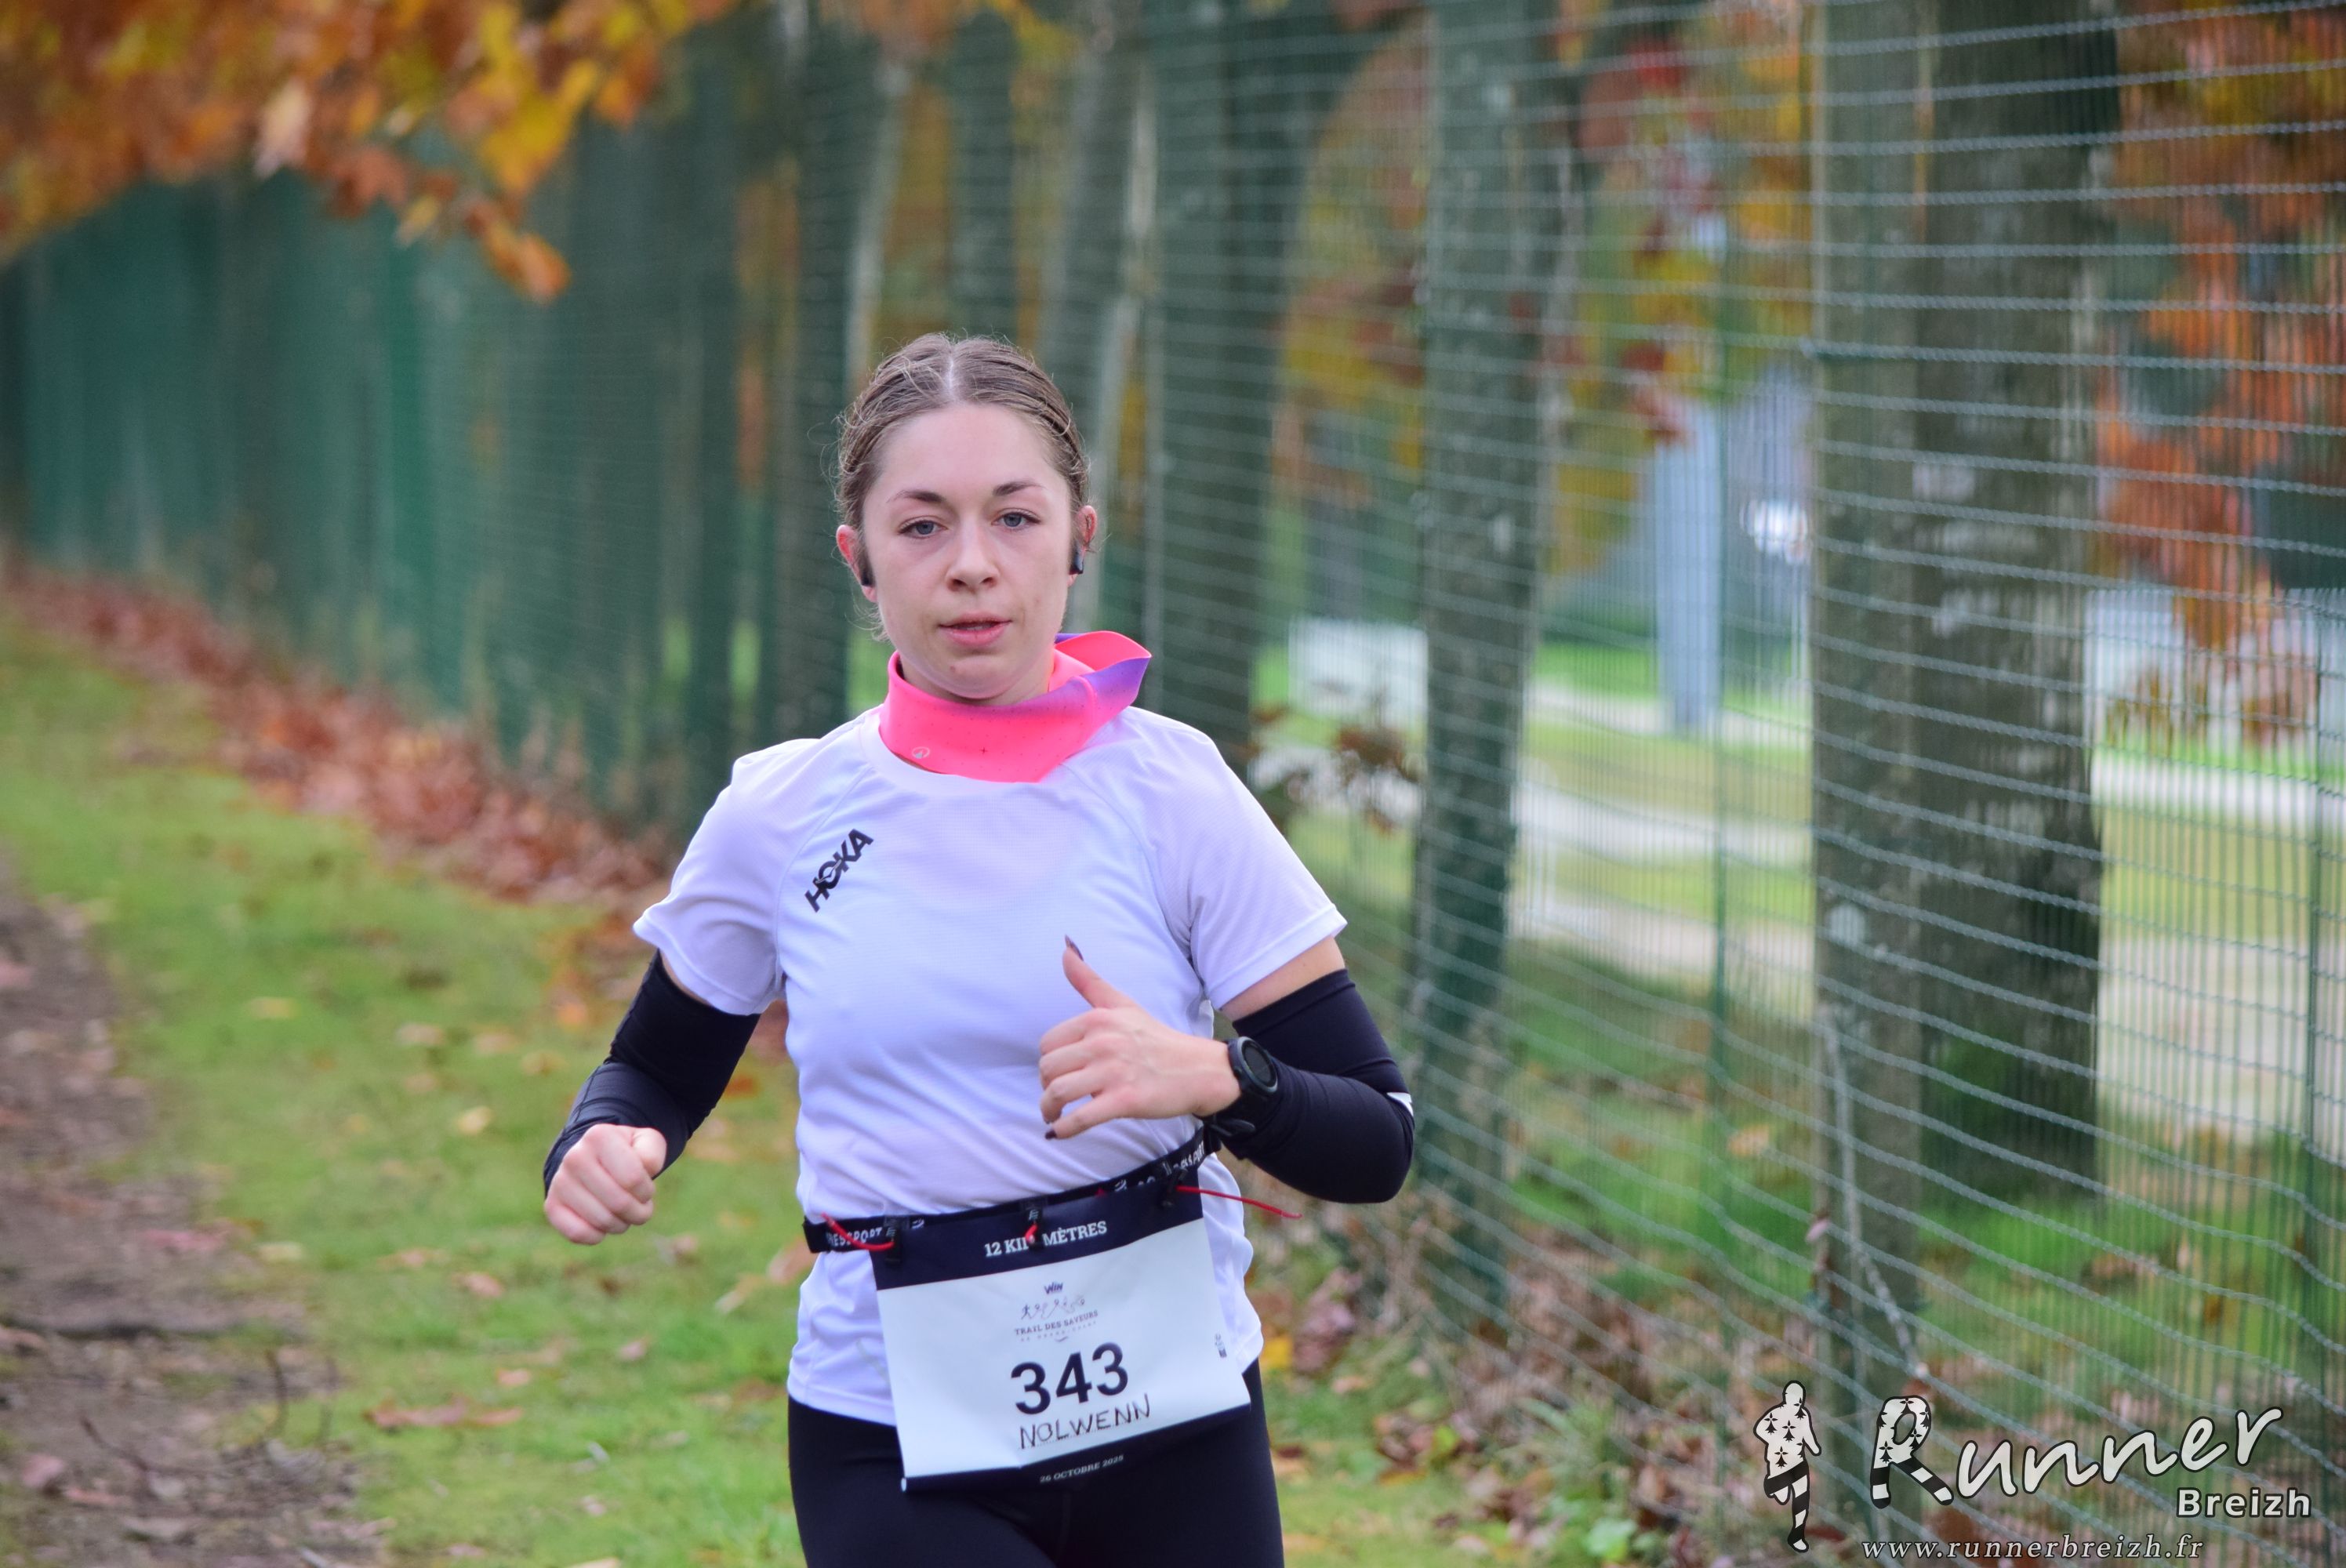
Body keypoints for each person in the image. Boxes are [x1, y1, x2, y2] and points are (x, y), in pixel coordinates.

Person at [541, 332, 1414, 1566]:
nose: (971, 564)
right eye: (920, 526)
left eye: (1014, 517)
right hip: (892, 1441)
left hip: (1178, 1429)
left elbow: (1378, 1141)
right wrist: (604, 1140)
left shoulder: (1175, 792)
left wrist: (1218, 1077)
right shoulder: (782, 814)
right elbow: (652, 1073)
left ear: (1078, 538)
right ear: (857, 559)